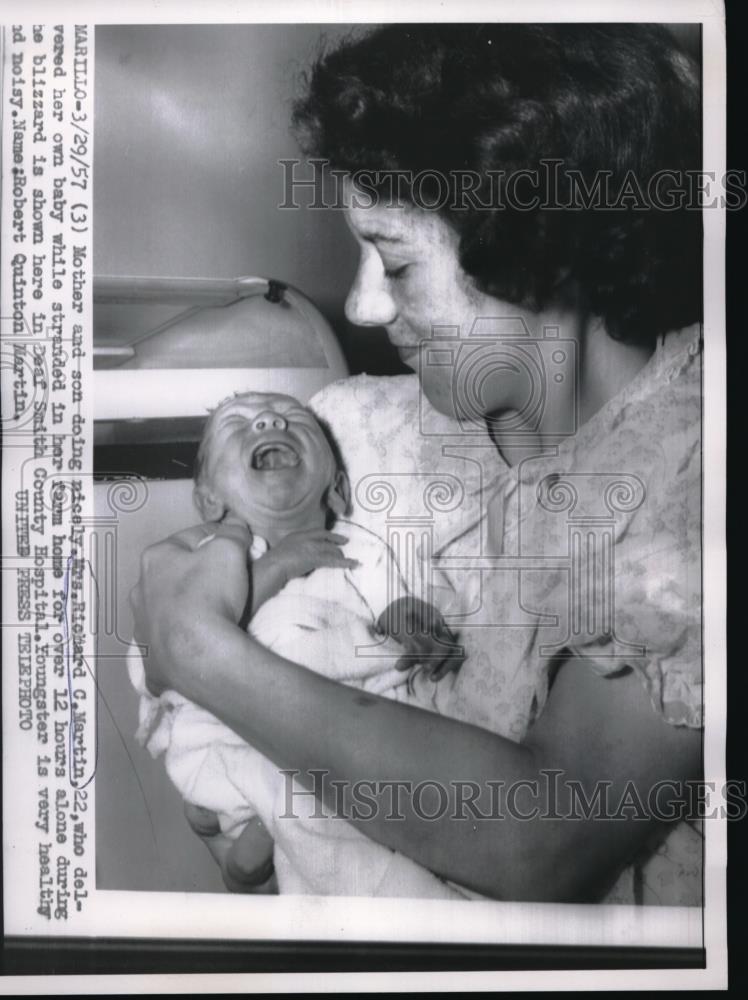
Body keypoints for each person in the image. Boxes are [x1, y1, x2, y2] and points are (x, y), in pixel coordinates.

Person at [130, 24, 703, 904]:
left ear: (541, 251)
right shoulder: (360, 430)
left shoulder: (695, 477)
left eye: (394, 262)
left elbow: (548, 833)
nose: (361, 305)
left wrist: (197, 650)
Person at [129, 390, 465, 896]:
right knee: (298, 798)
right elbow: (177, 646)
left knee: (353, 806)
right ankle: (278, 830)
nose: (267, 420)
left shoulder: (361, 546)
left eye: (292, 419)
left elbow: (390, 600)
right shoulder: (208, 555)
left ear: (336, 488)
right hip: (237, 733)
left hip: (347, 733)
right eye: (238, 422)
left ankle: (283, 841)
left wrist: (403, 615)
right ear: (209, 500)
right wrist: (277, 565)